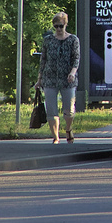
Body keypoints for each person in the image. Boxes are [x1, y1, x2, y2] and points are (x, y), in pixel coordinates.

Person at [37, 11, 80, 144]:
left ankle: (68, 129)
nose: (58, 29)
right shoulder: (48, 40)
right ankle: (55, 137)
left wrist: (72, 73)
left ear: (65, 24)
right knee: (51, 110)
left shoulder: (73, 40)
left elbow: (76, 59)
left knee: (69, 109)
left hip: (68, 80)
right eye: (56, 26)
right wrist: (39, 79)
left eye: (61, 26)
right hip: (50, 78)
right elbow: (43, 60)